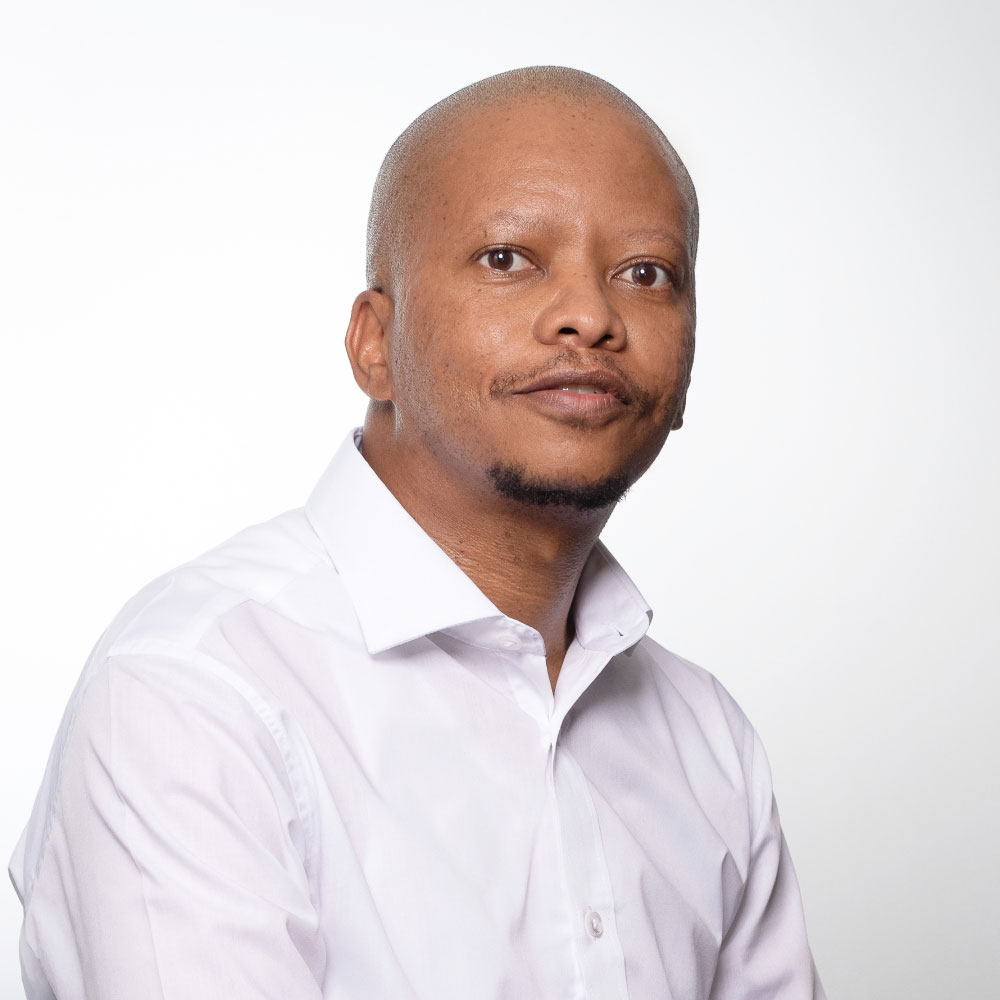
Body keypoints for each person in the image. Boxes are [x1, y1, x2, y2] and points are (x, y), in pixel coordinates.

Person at [10, 66, 825, 999]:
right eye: (508, 258)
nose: (591, 317)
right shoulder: (194, 692)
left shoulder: (706, 737)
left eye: (647, 274)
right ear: (375, 345)